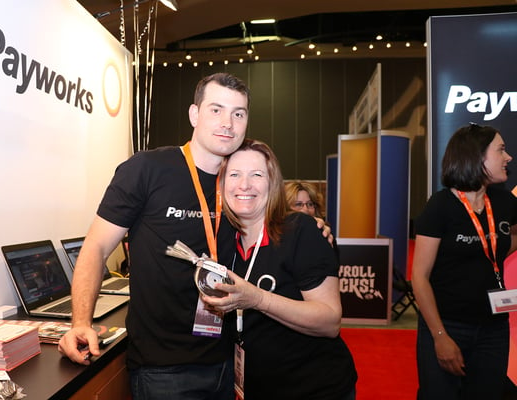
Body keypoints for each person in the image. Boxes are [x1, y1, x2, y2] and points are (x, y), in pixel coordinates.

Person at [57, 73, 332, 399]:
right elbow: (96, 247)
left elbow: (269, 227)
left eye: (238, 113)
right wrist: (80, 322)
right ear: (194, 114)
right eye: (216, 109)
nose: (227, 122)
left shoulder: (236, 185)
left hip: (229, 360)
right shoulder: (146, 169)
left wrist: (311, 224)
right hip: (163, 369)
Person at [203, 139, 357, 400]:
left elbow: (330, 321)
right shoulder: (224, 242)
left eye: (256, 175)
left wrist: (257, 298)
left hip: (314, 389)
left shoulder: (301, 230)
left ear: (272, 184)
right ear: (222, 183)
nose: (244, 185)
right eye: (235, 174)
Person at [411, 123, 517, 400]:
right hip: (448, 325)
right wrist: (439, 335)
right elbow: (420, 277)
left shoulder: (505, 202)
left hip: (494, 328)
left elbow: (503, 241)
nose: (508, 158)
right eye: (501, 150)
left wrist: (498, 245)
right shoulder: (441, 206)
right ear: (477, 156)